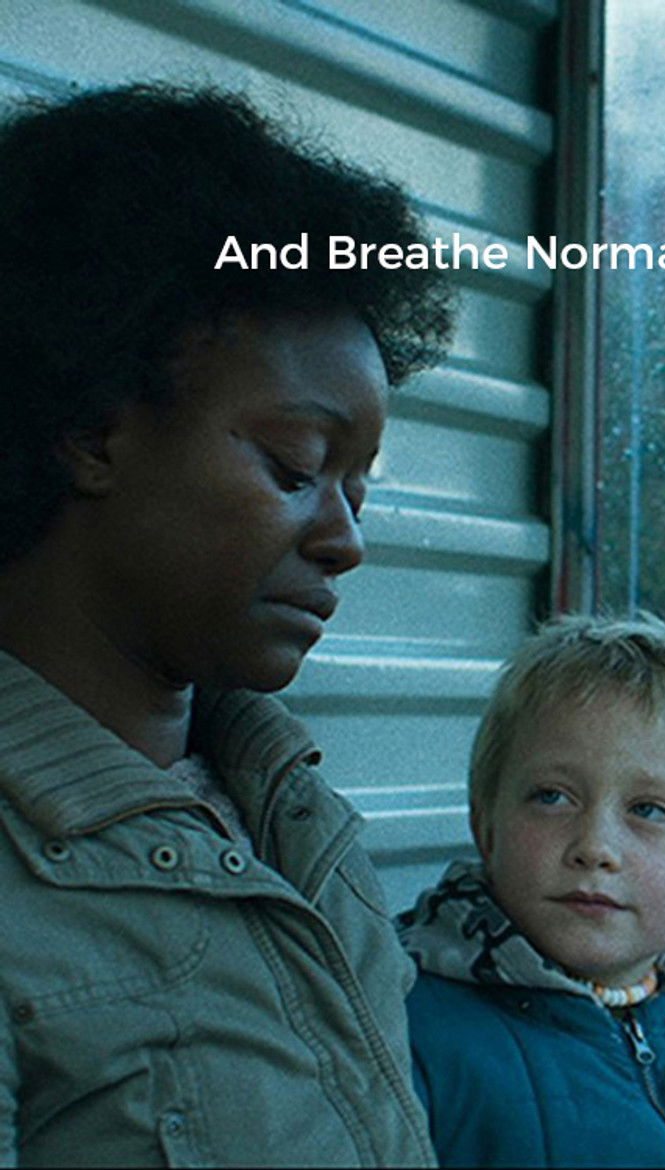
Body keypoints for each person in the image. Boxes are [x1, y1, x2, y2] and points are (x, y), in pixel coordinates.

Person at [0, 82, 453, 1167]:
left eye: (359, 488)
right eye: (297, 466)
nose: (345, 540)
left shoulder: (299, 822)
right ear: (92, 432)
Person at [398, 612, 665, 1168]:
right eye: (552, 797)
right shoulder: (396, 1032)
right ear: (486, 827)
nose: (595, 846)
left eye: (649, 810)